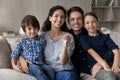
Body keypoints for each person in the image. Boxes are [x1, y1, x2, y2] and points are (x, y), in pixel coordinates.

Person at [41, 5, 81, 80]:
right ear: (50, 18)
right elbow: (25, 46)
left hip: (65, 71)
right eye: (56, 16)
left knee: (69, 76)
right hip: (49, 71)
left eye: (62, 17)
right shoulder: (42, 36)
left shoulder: (69, 36)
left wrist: (65, 45)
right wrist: (21, 59)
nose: (59, 19)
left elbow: (63, 62)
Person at [11, 15, 55, 80]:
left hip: (41, 63)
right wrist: (14, 65)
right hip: (29, 64)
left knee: (50, 70)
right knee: (38, 71)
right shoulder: (22, 42)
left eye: (35, 28)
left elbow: (44, 53)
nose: (32, 31)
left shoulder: (42, 40)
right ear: (24, 30)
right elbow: (14, 54)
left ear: (38, 28)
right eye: (29, 29)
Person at [80, 12, 120, 80]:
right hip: (95, 68)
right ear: (84, 25)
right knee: (110, 76)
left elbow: (116, 51)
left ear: (98, 23)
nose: (91, 25)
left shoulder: (105, 37)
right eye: (87, 23)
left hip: (110, 63)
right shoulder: (83, 38)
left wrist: (115, 65)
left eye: (93, 22)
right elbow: (92, 52)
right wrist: (104, 64)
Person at [67, 6, 96, 80]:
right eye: (72, 19)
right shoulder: (66, 36)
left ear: (83, 20)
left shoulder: (91, 32)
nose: (76, 22)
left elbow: (106, 49)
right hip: (74, 72)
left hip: (93, 69)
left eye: (79, 18)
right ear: (68, 22)